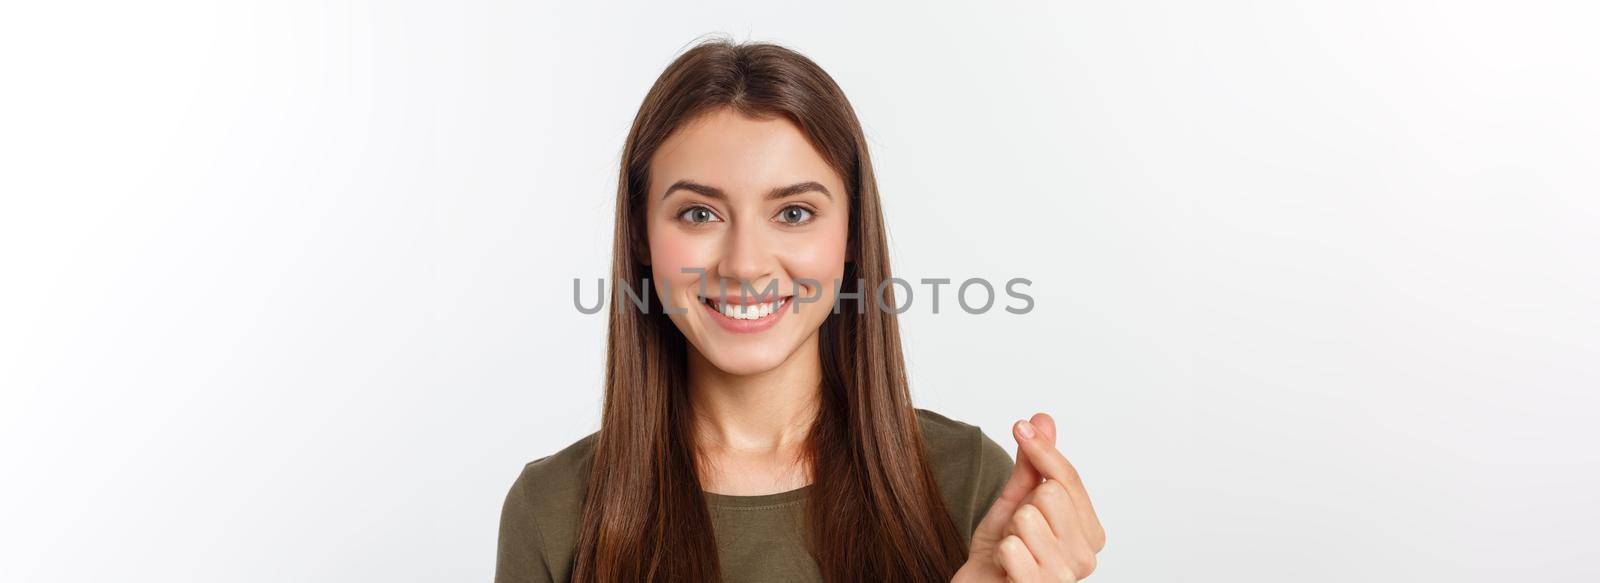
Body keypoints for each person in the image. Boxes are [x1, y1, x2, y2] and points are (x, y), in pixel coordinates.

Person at [495, 39, 1105, 583]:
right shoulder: (553, 512)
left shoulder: (968, 485)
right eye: (699, 214)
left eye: (793, 213)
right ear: (639, 236)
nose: (745, 265)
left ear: (851, 236)